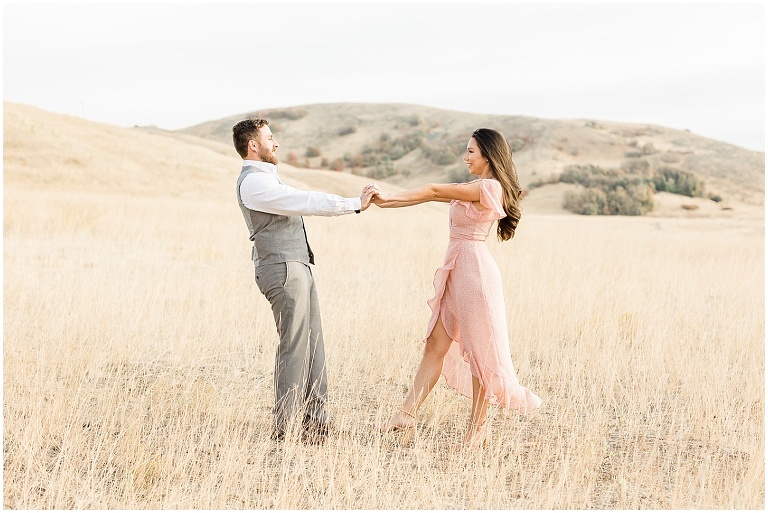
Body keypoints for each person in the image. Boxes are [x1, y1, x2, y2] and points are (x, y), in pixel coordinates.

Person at [368, 128, 542, 449]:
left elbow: (433, 190)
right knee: (435, 343)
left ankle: (478, 429)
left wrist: (388, 198)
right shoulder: (474, 187)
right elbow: (430, 195)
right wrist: (386, 203)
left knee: (480, 353)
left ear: (488, 155)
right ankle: (406, 414)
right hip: (456, 268)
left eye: (471, 152)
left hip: (475, 272)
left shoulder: (489, 187)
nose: (465, 157)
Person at [233, 117, 376, 444]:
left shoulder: (267, 178)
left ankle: (317, 423)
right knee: (295, 347)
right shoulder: (253, 183)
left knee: (314, 343)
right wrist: (352, 204)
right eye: (270, 138)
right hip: (282, 268)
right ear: (253, 145)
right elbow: (304, 201)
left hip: (298, 264)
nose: (276, 143)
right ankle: (285, 428)